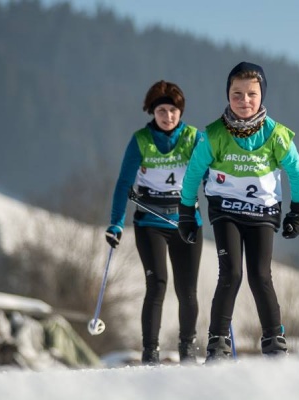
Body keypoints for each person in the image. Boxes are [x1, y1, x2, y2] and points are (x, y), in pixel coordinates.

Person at [177, 61, 299, 362]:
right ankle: (218, 344)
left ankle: (275, 345)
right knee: (231, 273)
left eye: (251, 93)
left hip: (262, 213)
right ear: (228, 95)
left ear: (262, 95)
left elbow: (297, 171)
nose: (244, 100)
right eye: (237, 94)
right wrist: (186, 211)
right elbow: (194, 173)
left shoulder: (276, 136)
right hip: (226, 212)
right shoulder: (214, 135)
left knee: (260, 275)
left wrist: (298, 210)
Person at [105, 80, 204, 365]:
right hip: (150, 222)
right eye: (161, 110)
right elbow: (124, 182)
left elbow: (210, 176)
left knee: (187, 290)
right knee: (157, 284)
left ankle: (188, 350)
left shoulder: (194, 138)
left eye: (173, 110)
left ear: (180, 111)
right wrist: (116, 223)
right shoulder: (140, 140)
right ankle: (150, 353)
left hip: (186, 223)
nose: (168, 116)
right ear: (152, 111)